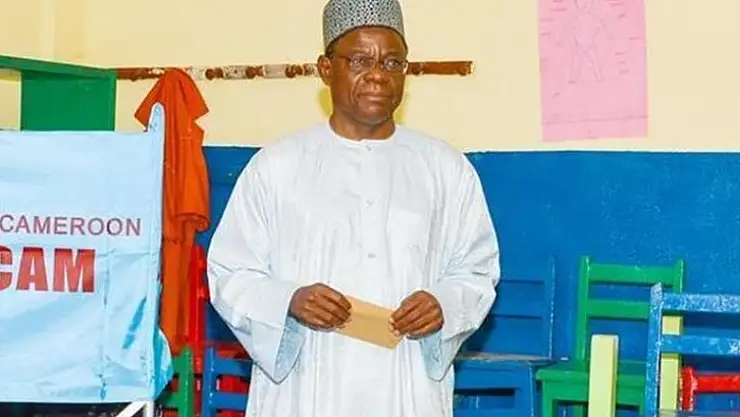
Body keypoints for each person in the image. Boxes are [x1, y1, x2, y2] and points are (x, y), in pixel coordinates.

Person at [206, 0, 500, 416]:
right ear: (326, 69)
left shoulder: (445, 168)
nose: (378, 75)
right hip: (307, 385)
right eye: (360, 60)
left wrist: (444, 304)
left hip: (406, 384)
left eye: (393, 62)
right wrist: (290, 300)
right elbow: (230, 273)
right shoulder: (276, 166)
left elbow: (476, 270)